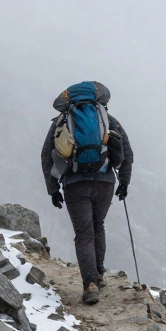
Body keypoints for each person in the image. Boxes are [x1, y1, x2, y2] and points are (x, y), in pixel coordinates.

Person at [41, 81, 133, 304]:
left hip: (75, 183)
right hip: (105, 182)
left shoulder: (61, 122)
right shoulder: (108, 121)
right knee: (98, 224)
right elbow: (127, 153)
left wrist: (53, 189)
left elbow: (46, 155)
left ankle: (90, 284)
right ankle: (99, 274)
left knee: (84, 233)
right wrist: (124, 183)